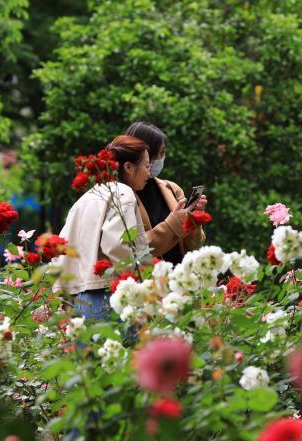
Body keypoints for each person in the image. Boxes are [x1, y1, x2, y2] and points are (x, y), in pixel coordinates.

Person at [55, 135, 200, 319]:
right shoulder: (123, 193)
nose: (149, 172)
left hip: (76, 300)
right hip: (107, 297)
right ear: (129, 168)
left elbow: (62, 248)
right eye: (147, 166)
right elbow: (120, 246)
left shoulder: (87, 198)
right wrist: (149, 282)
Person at [125, 121, 208, 264]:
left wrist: (193, 222)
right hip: (145, 283)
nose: (163, 158)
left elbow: (194, 246)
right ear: (145, 153)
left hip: (178, 279)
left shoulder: (171, 189)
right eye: (161, 152)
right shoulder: (122, 196)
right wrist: (174, 222)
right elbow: (136, 251)